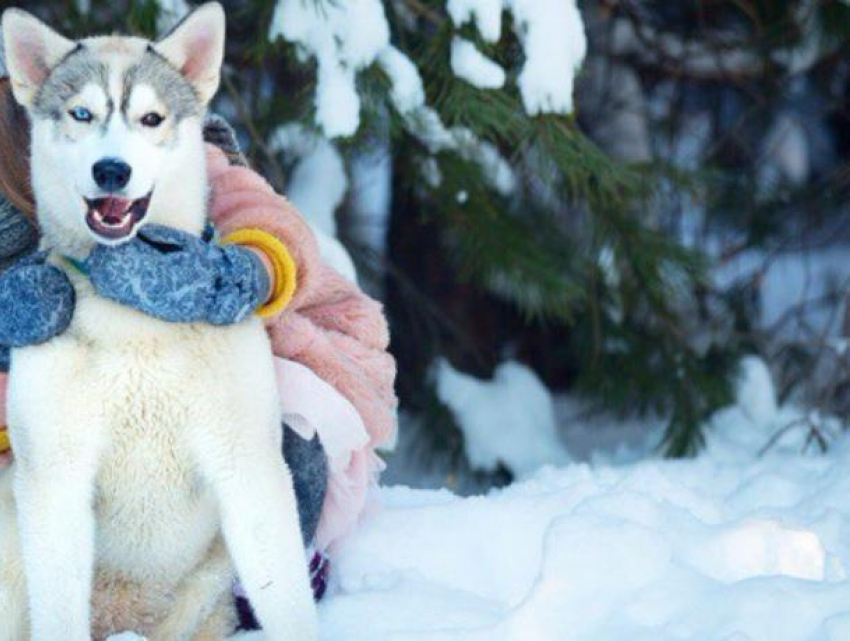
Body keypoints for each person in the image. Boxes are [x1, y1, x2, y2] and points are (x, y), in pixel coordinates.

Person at [0, 77, 397, 614]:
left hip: (184, 382)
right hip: (67, 418)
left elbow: (248, 205)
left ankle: (249, 575)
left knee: (276, 425)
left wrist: (239, 273)